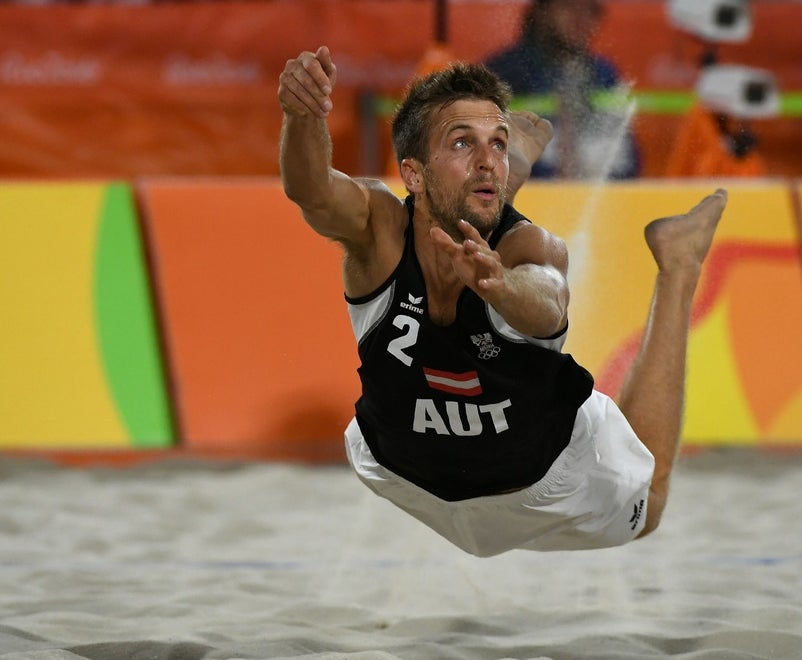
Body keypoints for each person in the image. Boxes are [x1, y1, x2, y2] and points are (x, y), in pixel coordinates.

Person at [277, 46, 726, 557]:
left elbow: (550, 303)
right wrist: (303, 114)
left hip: (543, 486)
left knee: (652, 505)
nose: (486, 157)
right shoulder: (379, 230)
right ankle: (513, 159)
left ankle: (679, 264)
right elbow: (311, 190)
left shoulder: (528, 247)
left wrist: (499, 286)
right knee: (464, 201)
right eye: (463, 142)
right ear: (413, 173)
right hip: (403, 473)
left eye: (497, 142)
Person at [483, 0, 640, 180]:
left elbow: (627, 160)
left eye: (590, 11)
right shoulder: (505, 73)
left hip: (598, 198)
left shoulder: (604, 74)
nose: (580, 18)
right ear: (542, 12)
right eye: (568, 7)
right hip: (530, 198)